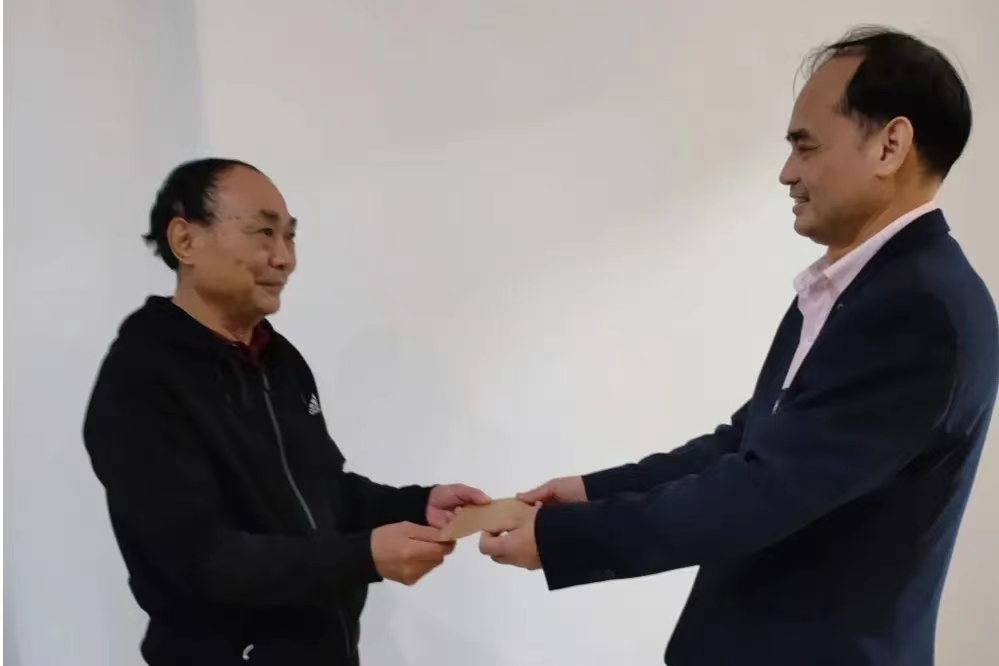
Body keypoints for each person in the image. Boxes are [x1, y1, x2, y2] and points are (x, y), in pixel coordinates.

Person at [479, 26, 999, 666]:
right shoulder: (855, 289)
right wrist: (590, 492)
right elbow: (748, 443)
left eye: (805, 146)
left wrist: (561, 538)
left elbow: (757, 495)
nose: (787, 173)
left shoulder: (920, 310)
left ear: (890, 145)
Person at [83, 158, 490, 665]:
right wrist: (364, 556)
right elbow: (196, 559)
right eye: (263, 233)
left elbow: (321, 491)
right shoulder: (142, 377)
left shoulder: (279, 360)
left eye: (290, 237)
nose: (284, 258)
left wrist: (417, 503)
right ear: (186, 240)